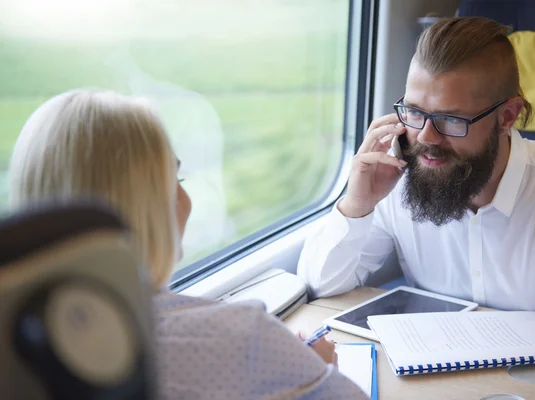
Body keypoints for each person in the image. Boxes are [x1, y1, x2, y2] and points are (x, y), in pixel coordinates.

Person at [8, 89, 369, 400]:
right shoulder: (243, 339)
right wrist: (315, 373)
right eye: (174, 178)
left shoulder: (16, 357)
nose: (187, 199)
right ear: (149, 206)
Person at [297, 16, 535, 338]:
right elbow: (321, 289)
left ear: (507, 117)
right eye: (414, 112)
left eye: (450, 119)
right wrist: (357, 205)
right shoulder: (394, 180)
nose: (426, 137)